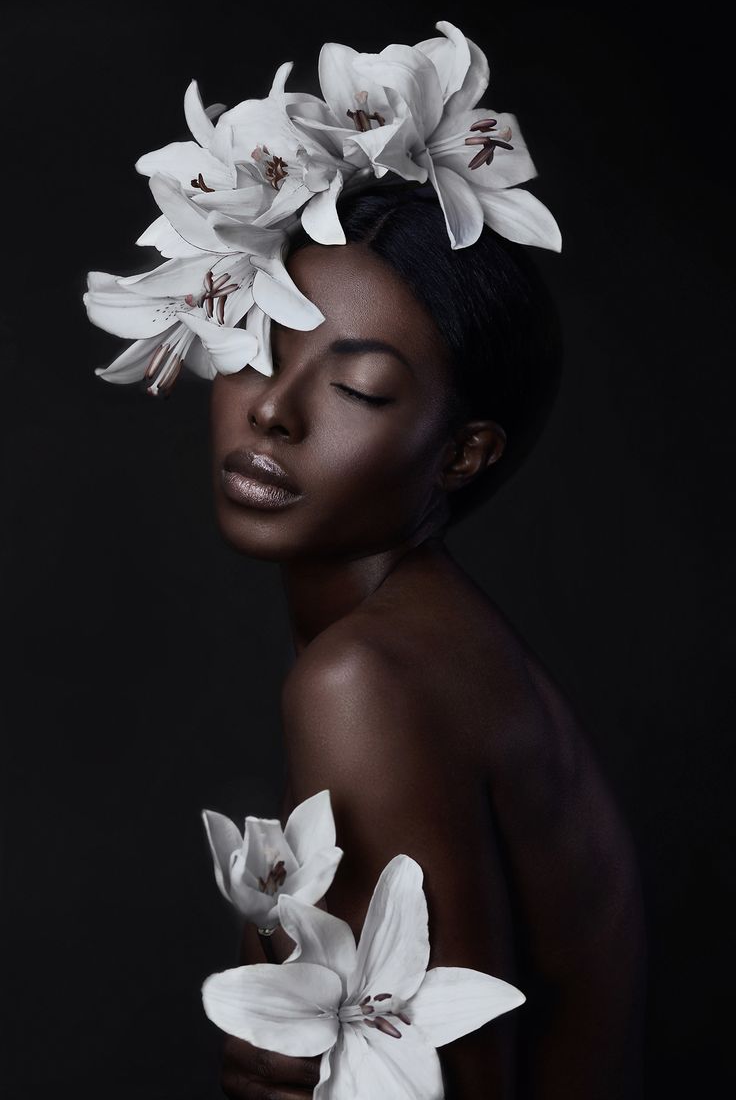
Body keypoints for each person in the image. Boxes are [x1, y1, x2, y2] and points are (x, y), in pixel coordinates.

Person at [208, 187, 648, 1099]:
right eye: (258, 346)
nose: (273, 412)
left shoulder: (366, 682)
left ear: (461, 455)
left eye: (357, 389)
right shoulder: (440, 644)